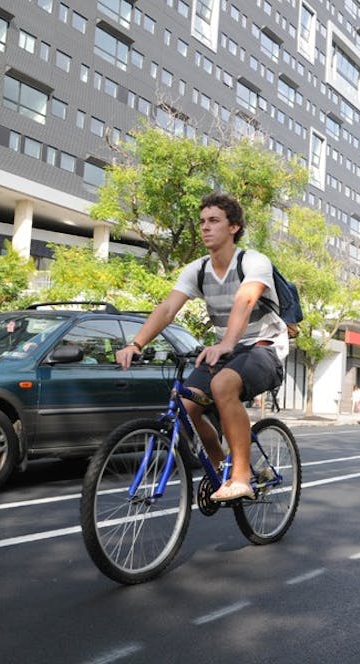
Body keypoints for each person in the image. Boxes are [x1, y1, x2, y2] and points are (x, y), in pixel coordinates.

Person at [115, 192, 288, 502]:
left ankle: (241, 476)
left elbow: (245, 299)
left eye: (214, 221)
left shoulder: (253, 261)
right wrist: (136, 343)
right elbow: (168, 309)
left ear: (233, 227)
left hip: (264, 349)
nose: (205, 227)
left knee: (222, 385)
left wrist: (226, 342)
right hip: (228, 350)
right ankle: (221, 465)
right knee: (187, 406)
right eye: (202, 222)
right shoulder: (197, 269)